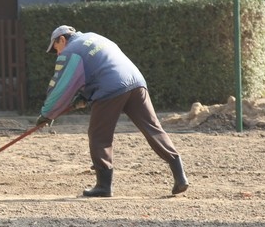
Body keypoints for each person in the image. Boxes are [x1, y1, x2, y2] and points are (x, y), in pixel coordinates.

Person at [36, 25, 189, 197]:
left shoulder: (70, 51)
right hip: (136, 82)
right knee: (152, 128)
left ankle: (103, 186)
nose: (57, 54)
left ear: (62, 39)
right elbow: (101, 67)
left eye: (56, 49)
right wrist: (86, 96)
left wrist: (47, 114)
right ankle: (180, 175)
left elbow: (61, 86)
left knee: (99, 136)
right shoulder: (94, 37)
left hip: (110, 89)